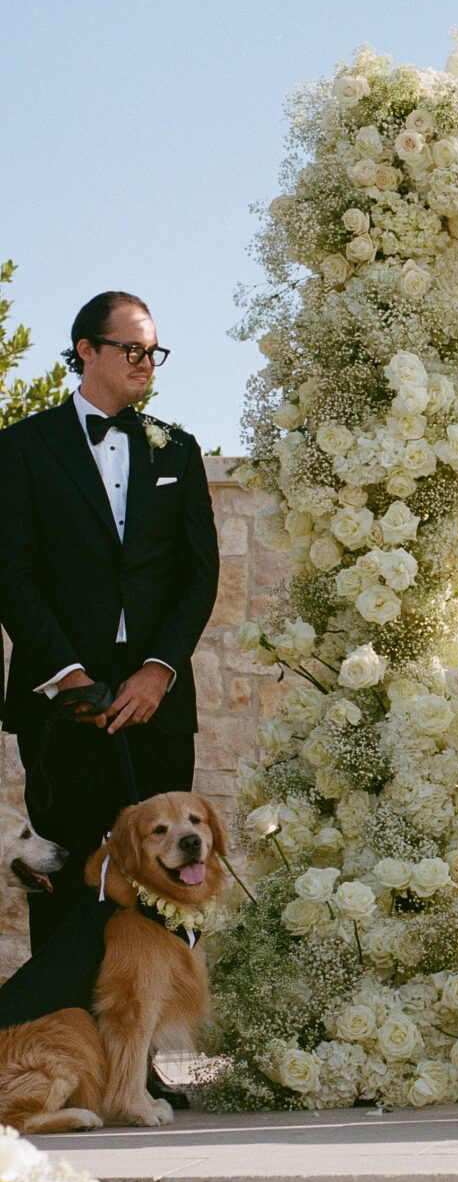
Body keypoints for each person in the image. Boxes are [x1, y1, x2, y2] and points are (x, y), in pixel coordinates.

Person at [0, 295, 219, 978]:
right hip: (63, 705)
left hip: (157, 707)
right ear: (85, 350)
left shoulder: (177, 449)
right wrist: (66, 675)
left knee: (169, 877)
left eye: (153, 352)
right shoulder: (21, 448)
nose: (145, 363)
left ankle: (157, 1035)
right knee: (67, 878)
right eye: (131, 349)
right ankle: (61, 1031)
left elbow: (198, 576)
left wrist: (159, 670)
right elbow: (12, 574)